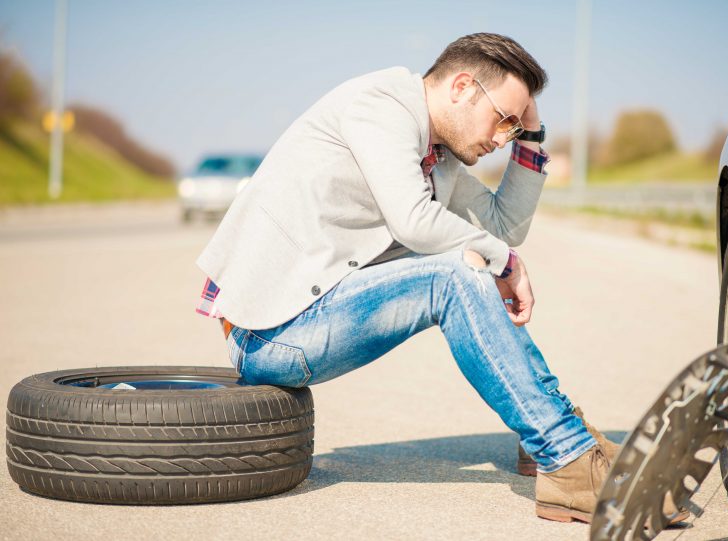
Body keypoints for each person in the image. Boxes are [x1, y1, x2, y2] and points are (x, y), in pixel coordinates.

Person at [195, 33, 684, 525]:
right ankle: (566, 455)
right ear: (463, 87)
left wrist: (531, 140)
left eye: (515, 129)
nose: (501, 139)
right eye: (505, 120)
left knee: (468, 263)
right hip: (269, 333)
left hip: (314, 315)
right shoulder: (380, 107)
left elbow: (503, 226)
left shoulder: (439, 156)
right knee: (454, 275)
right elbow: (415, 220)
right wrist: (506, 263)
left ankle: (561, 443)